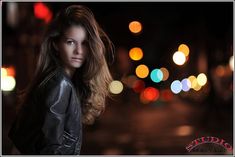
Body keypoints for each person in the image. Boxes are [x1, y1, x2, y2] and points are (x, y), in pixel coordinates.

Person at [8, 5, 114, 155]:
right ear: (56, 45)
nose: (78, 51)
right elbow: (51, 149)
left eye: (83, 43)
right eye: (70, 42)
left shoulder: (53, 80)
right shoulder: (60, 85)